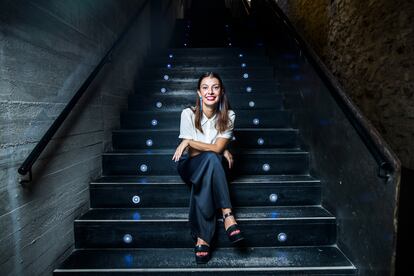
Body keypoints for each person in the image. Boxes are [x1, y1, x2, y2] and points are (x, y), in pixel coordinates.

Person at [172, 72, 244, 264]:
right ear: (199, 92)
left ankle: (203, 238)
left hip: (210, 166)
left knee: (210, 166)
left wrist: (189, 141)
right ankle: (227, 214)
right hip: (189, 165)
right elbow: (195, 155)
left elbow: (217, 148)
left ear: (221, 92)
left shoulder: (229, 115)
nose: (210, 91)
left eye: (215, 87)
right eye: (205, 87)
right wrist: (218, 151)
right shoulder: (187, 113)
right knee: (212, 159)